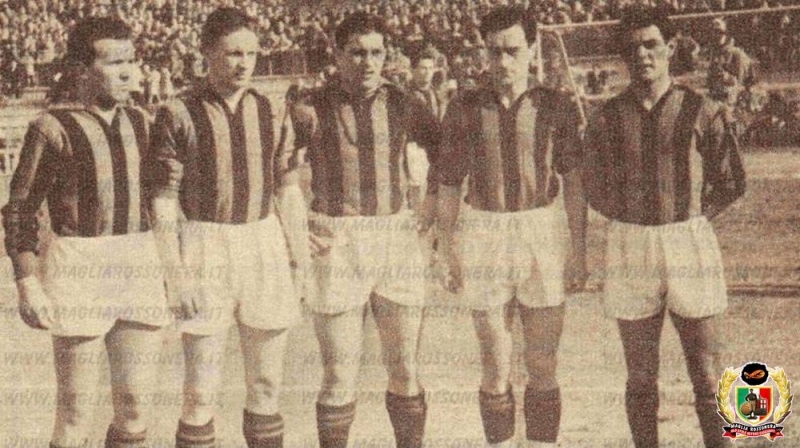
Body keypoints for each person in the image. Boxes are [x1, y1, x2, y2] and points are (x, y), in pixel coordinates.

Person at [1, 16, 171, 448]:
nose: (128, 72)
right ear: (80, 70)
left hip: (138, 258)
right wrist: (27, 282)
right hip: (79, 263)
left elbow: (166, 198)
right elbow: (20, 208)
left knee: (134, 407)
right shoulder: (51, 127)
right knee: (75, 413)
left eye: (131, 61)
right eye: (114, 63)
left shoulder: (143, 121)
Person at [582, 6, 745, 448]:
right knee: (640, 376)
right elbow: (593, 185)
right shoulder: (606, 117)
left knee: (707, 373)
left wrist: (688, 214)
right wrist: (634, 213)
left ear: (671, 48)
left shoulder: (702, 109)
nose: (642, 55)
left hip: (687, 240)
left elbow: (731, 180)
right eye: (632, 47)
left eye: (652, 44)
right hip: (630, 243)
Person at [150, 7, 304, 448]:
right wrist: (176, 275)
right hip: (205, 243)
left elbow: (288, 189)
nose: (243, 64)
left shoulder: (272, 108)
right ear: (207, 53)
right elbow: (162, 200)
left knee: (267, 385)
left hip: (263, 241)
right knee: (201, 391)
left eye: (251, 54)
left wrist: (299, 259)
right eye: (233, 53)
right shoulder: (178, 111)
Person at [436, 5, 588, 448]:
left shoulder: (555, 105)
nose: (503, 62)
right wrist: (447, 249)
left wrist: (579, 251)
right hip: (483, 232)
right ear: (483, 53)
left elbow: (575, 183)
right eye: (494, 51)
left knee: (542, 365)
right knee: (495, 365)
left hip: (541, 230)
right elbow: (448, 184)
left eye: (513, 51)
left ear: (532, 48)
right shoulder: (464, 107)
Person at [290, 11, 440, 448]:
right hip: (336, 240)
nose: (367, 62)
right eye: (356, 53)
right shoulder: (309, 107)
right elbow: (275, 172)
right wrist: (295, 226)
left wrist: (429, 208)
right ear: (337, 54)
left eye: (376, 52)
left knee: (405, 367)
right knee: (339, 373)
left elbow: (445, 155)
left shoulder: (405, 103)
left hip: (394, 235)